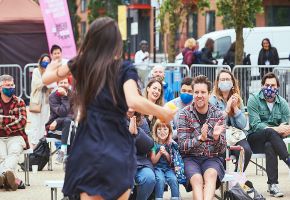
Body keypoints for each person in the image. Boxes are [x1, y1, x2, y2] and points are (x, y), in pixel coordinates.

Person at [42, 17, 176, 200]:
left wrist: (53, 66)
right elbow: (133, 100)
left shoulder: (81, 62)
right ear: (116, 43)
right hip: (115, 140)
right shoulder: (123, 68)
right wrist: (163, 112)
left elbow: (47, 79)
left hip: (88, 139)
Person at [178, 75, 226, 200]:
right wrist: (200, 138)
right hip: (191, 158)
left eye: (203, 92)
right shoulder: (184, 114)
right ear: (193, 93)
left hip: (212, 158)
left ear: (209, 94)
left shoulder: (218, 114)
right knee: (197, 180)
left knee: (210, 175)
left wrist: (216, 137)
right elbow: (182, 146)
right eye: (196, 92)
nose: (199, 95)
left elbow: (222, 150)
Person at [247, 72, 290, 198]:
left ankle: (273, 185)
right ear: (262, 86)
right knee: (270, 132)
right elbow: (255, 125)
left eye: (273, 85)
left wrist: (285, 128)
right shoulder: (253, 99)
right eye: (267, 85)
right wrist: (277, 128)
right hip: (255, 139)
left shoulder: (282, 103)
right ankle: (288, 159)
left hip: (274, 143)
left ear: (277, 87)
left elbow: (287, 125)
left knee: (270, 145)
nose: (269, 88)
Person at [209, 69, 252, 172]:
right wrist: (227, 109)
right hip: (219, 136)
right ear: (218, 83)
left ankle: (236, 180)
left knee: (246, 151)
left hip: (235, 135)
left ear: (232, 82)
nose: (225, 82)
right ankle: (223, 182)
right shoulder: (212, 100)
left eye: (227, 79)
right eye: (222, 79)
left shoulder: (237, 98)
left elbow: (242, 125)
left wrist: (235, 108)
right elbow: (214, 122)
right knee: (221, 153)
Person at [0, 75, 29, 191]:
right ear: (0, 87)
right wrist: (12, 119)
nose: (10, 87)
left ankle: (2, 176)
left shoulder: (20, 102)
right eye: (7, 85)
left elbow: (22, 122)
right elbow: (17, 121)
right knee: (1, 157)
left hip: (17, 136)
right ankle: (13, 179)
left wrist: (3, 123)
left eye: (12, 85)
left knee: (14, 153)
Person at [127, 108, 155, 200]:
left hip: (140, 161)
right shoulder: (112, 119)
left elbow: (150, 145)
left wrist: (137, 133)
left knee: (149, 178)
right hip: (119, 163)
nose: (130, 109)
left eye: (133, 105)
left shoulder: (142, 121)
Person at [45, 77, 74, 164]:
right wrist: (65, 97)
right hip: (54, 128)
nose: (63, 85)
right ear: (57, 84)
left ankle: (63, 152)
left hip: (64, 124)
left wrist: (58, 120)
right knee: (71, 129)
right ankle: (68, 158)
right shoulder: (52, 97)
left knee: (69, 123)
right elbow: (62, 112)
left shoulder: (73, 95)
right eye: (61, 83)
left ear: (69, 84)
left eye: (65, 83)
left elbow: (73, 115)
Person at [150, 120, 179, 200]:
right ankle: (158, 198)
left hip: (169, 168)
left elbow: (171, 161)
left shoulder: (170, 144)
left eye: (165, 129)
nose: (162, 132)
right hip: (157, 168)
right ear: (155, 131)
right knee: (160, 179)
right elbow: (153, 161)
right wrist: (159, 152)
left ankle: (175, 197)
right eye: (159, 129)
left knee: (173, 179)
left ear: (169, 131)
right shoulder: (154, 144)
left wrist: (166, 153)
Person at [29, 54, 51, 148]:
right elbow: (37, 84)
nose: (46, 62)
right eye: (44, 60)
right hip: (36, 100)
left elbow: (52, 86)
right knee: (35, 123)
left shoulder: (51, 72)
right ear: (40, 61)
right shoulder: (36, 71)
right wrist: (47, 79)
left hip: (46, 101)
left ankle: (41, 144)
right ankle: (34, 145)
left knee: (44, 122)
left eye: (48, 60)